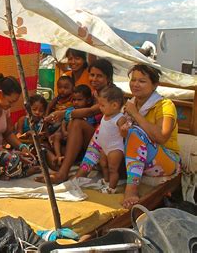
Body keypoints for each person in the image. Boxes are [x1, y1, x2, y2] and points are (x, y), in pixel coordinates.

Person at [41, 58, 115, 183]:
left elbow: (91, 111)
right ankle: (60, 162)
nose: (94, 79)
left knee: (77, 123)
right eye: (92, 75)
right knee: (48, 143)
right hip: (91, 141)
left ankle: (62, 173)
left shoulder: (112, 94)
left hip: (107, 143)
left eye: (99, 76)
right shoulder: (93, 94)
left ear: (108, 78)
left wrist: (64, 113)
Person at [120, 64, 181, 208]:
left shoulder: (165, 105)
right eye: (133, 80)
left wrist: (135, 114)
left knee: (135, 132)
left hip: (167, 160)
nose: (135, 84)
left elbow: (161, 137)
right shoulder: (131, 104)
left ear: (154, 85)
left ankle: (131, 189)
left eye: (142, 81)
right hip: (142, 157)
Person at [74, 85, 127, 193]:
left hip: (115, 148)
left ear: (114, 105)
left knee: (113, 169)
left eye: (102, 105)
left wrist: (124, 129)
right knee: (104, 165)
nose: (100, 107)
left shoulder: (119, 118)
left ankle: (112, 188)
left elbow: (124, 134)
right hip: (104, 146)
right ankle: (106, 180)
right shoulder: (106, 114)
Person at [49, 84, 96, 165]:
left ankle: (68, 159)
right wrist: (64, 131)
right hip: (67, 136)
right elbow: (64, 121)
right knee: (56, 136)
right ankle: (58, 156)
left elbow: (88, 126)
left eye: (79, 100)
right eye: (74, 100)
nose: (76, 102)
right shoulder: (71, 109)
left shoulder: (88, 112)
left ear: (88, 100)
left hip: (80, 141)